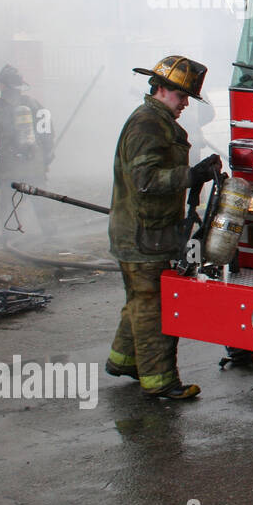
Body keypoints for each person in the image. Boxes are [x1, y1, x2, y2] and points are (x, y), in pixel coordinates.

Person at [106, 56, 221, 400]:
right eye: (182, 95)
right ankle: (160, 382)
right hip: (143, 236)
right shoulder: (147, 125)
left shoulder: (158, 121)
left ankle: (124, 360)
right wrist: (192, 175)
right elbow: (145, 179)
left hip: (144, 232)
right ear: (162, 89)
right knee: (154, 305)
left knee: (140, 300)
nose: (185, 103)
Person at [0, 64, 55, 245]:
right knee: (40, 197)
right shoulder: (34, 104)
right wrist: (45, 158)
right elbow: (47, 133)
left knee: (8, 201)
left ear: (3, 86)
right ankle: (51, 234)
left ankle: (8, 237)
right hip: (35, 162)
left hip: (9, 165)